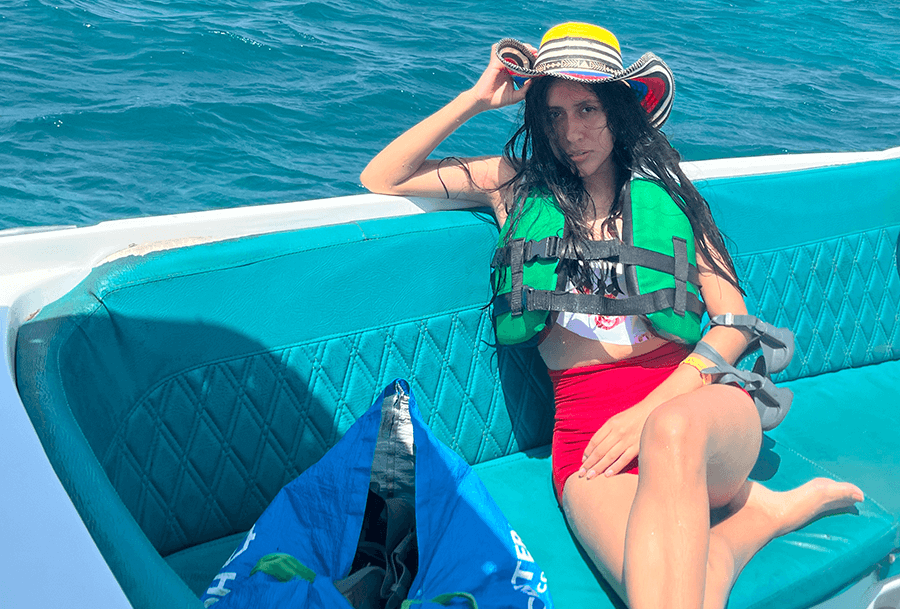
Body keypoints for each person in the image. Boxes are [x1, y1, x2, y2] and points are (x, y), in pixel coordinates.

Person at [360, 22, 863, 609]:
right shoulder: (515, 187)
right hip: (589, 436)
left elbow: (734, 321)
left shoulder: (670, 198)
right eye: (552, 114)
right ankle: (764, 515)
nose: (571, 133)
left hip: (695, 411)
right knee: (667, 595)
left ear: (620, 109)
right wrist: (478, 97)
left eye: (587, 109)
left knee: (668, 431)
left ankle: (741, 498)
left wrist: (649, 412)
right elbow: (383, 177)